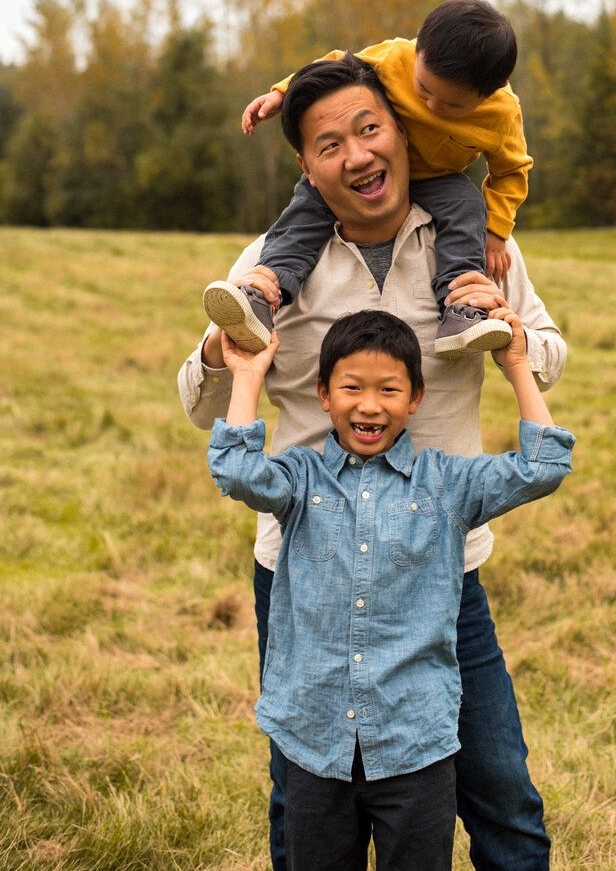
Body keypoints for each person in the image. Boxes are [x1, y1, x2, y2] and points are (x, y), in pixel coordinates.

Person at [178, 52, 567, 871]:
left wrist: (518, 338)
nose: (356, 154)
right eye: (329, 143)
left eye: (368, 128)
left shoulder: (477, 246)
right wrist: (219, 352)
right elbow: (205, 406)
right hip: (305, 576)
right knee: (310, 790)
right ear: (306, 167)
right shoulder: (271, 264)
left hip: (442, 571)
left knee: (498, 785)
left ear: (404, 131)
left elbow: (549, 351)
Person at [208, 309, 574, 871]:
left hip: (415, 746)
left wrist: (518, 364)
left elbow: (544, 466)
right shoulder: (302, 479)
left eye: (389, 389)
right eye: (351, 387)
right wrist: (250, 372)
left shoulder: (447, 484)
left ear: (416, 398)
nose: (371, 405)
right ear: (323, 397)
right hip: (315, 744)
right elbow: (235, 470)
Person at [206, 0, 532, 356]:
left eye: (453, 106)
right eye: (423, 89)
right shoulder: (396, 55)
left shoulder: (502, 114)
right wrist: (281, 93)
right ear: (418, 48)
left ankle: (463, 308)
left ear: (492, 90)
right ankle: (262, 292)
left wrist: (497, 230)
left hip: (438, 179)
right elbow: (335, 65)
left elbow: (511, 171)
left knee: (468, 205)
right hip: (380, 165)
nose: (432, 107)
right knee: (304, 213)